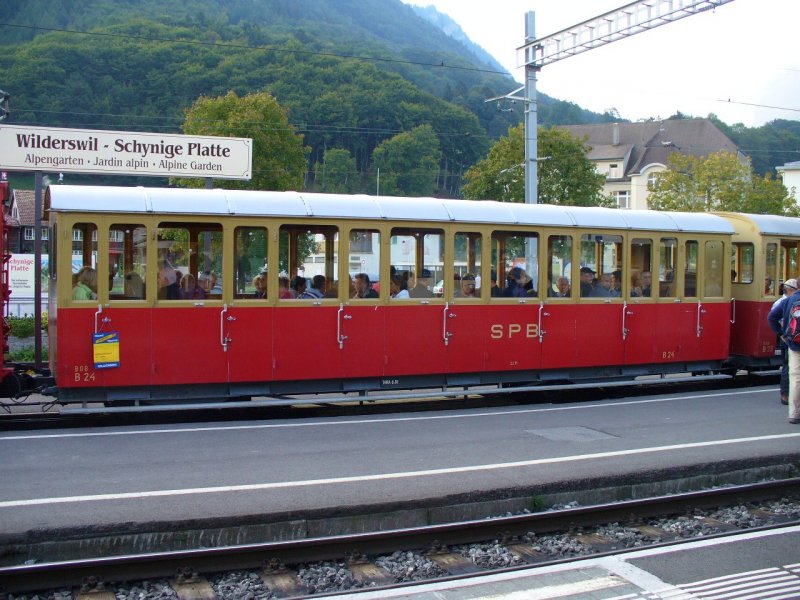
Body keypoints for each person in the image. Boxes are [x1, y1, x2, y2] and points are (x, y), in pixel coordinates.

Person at [768, 280, 800, 424]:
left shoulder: (788, 300)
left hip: (794, 345)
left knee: (796, 379)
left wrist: (781, 334)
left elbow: (771, 318)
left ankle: (794, 413)